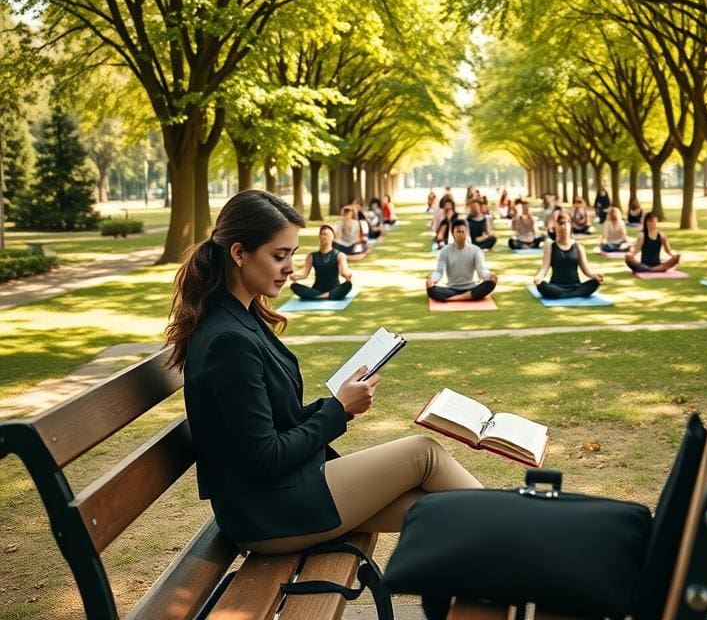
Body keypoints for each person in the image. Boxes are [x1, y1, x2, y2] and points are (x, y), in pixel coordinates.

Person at [167, 189, 482, 555]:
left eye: (292, 256)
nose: (289, 268)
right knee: (423, 453)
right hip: (268, 511)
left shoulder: (240, 317)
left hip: (281, 496)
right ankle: (525, 525)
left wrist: (338, 404)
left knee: (443, 507)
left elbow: (269, 423)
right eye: (279, 256)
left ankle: (506, 565)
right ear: (239, 253)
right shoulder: (228, 340)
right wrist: (335, 410)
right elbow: (264, 457)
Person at [533, 212, 604, 299]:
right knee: (542, 285)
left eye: (567, 223)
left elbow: (586, 270)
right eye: (561, 223)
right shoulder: (550, 246)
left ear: (570, 226)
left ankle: (565, 295)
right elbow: (544, 268)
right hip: (556, 286)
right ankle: (570, 294)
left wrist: (595, 276)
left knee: (594, 283)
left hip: (576, 286)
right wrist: (539, 277)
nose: (564, 226)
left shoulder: (578, 247)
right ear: (556, 227)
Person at [426, 218, 498, 302]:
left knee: (491, 284)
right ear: (453, 234)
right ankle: (466, 297)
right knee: (431, 290)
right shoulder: (445, 251)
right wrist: (432, 280)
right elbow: (439, 271)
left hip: (470, 288)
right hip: (451, 289)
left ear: (467, 233)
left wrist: (489, 276)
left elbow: (481, 270)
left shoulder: (476, 250)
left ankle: (458, 298)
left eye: (463, 232)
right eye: (458, 232)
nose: (461, 234)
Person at [289, 224, 354, 300]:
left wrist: (347, 275)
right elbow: (304, 273)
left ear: (332, 237)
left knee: (348, 285)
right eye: (322, 234)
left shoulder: (340, 255)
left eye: (326, 234)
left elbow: (344, 270)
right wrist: (295, 276)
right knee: (294, 286)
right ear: (319, 237)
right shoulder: (311, 256)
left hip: (334, 289)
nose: (324, 237)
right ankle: (324, 296)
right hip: (316, 290)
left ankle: (318, 297)